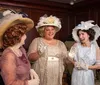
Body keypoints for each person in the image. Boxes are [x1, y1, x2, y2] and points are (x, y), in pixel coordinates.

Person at [0, 10, 39, 85]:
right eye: (24, 34)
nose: (26, 36)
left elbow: (24, 64)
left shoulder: (21, 49)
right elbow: (10, 83)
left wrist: (30, 70)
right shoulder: (9, 55)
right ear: (16, 36)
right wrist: (28, 83)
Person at [28, 14, 68, 85]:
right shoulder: (37, 41)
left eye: (52, 29)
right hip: (41, 73)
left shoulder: (61, 43)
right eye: (47, 30)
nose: (50, 32)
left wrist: (71, 56)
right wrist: (39, 53)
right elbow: (30, 58)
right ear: (43, 31)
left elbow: (66, 60)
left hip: (56, 73)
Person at [68, 20, 100, 85]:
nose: (80, 37)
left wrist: (86, 66)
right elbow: (69, 57)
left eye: (83, 34)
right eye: (79, 34)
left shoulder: (96, 48)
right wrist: (74, 63)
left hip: (88, 75)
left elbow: (99, 66)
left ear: (89, 35)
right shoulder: (76, 46)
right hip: (76, 74)